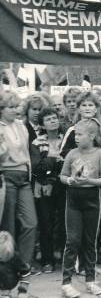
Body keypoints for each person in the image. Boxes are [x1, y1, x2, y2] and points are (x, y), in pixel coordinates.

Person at [60, 119, 101, 298]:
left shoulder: (100, 154)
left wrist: (90, 181)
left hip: (92, 200)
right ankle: (66, 282)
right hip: (74, 200)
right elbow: (62, 175)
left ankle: (90, 279)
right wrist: (69, 180)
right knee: (72, 240)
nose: (75, 137)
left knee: (90, 241)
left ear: (91, 136)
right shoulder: (72, 153)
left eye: (79, 134)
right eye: (75, 134)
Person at [0, 91, 37, 274]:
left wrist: (29, 174)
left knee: (31, 223)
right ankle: (7, 271)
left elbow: (27, 154)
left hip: (24, 178)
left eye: (17, 106)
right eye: (11, 107)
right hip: (6, 176)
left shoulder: (22, 126)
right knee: (8, 227)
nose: (16, 110)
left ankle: (23, 265)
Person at [30, 107, 64, 273]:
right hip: (44, 187)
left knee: (65, 223)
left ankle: (66, 258)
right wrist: (54, 159)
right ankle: (47, 260)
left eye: (55, 118)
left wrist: (49, 161)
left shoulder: (65, 138)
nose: (53, 121)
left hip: (63, 186)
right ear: (42, 124)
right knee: (46, 223)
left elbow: (68, 162)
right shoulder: (37, 143)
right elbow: (37, 167)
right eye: (49, 119)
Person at [0, 232, 29, 298]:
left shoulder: (15, 257)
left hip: (9, 279)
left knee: (2, 268)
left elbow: (25, 273)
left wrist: (22, 292)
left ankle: (4, 293)